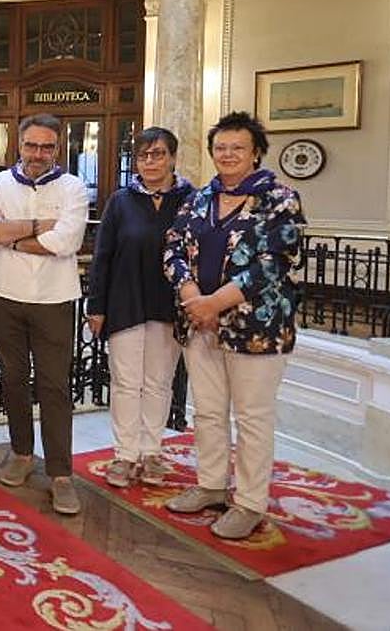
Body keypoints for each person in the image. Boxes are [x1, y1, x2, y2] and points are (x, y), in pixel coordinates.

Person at [162, 111, 305, 540]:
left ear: (255, 152)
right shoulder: (199, 199)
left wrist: (214, 303)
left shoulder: (280, 199)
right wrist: (192, 295)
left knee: (252, 417)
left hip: (255, 329)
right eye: (220, 148)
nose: (227, 155)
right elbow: (172, 248)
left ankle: (249, 503)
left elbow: (273, 264)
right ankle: (210, 485)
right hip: (199, 324)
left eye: (237, 148)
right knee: (207, 411)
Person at [0, 113, 88, 515]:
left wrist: (13, 237)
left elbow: (67, 241)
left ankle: (61, 475)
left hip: (55, 300)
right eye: (31, 145)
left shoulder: (73, 187)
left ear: (58, 148)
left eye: (47, 147)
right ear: (18, 145)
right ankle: (21, 453)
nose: (38, 154)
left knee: (55, 386)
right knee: (13, 380)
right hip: (4, 296)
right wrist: (40, 226)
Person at [86, 127, 193, 489]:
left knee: (159, 382)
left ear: (172, 158)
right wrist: (96, 306)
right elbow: (102, 256)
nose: (150, 161)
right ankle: (125, 454)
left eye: (158, 154)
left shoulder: (191, 200)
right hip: (125, 302)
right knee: (126, 383)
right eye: (143, 155)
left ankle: (151, 452)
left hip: (169, 305)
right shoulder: (120, 201)